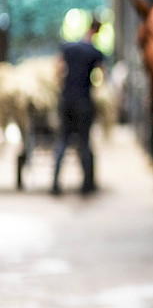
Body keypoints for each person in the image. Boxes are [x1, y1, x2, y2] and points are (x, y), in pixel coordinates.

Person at [51, 16, 105, 195]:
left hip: (66, 99)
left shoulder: (69, 47)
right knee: (84, 142)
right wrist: (95, 87)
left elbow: (58, 68)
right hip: (84, 101)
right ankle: (87, 185)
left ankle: (55, 183)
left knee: (63, 140)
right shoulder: (95, 52)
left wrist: (63, 85)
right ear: (97, 31)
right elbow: (101, 76)